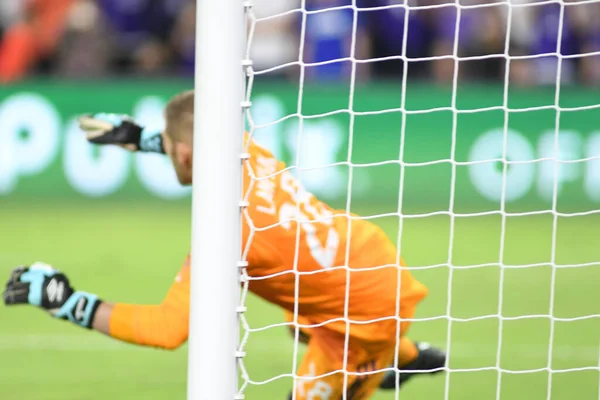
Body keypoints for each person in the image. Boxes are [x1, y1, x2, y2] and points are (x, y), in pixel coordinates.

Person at [2, 90, 445, 399]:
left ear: (184, 154)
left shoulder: (226, 229)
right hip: (363, 253)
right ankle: (404, 358)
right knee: (299, 320)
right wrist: (141, 138)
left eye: (170, 145)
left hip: (365, 316)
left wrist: (66, 301)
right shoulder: (247, 152)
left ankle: (386, 359)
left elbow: (167, 330)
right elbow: (198, 143)